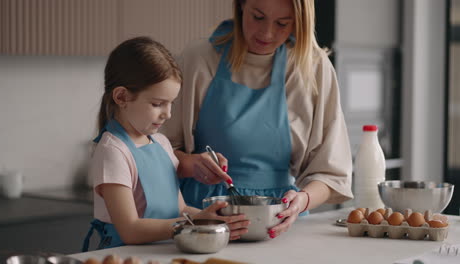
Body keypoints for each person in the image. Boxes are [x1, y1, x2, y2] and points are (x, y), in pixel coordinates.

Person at [162, 0, 354, 239]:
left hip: (279, 225)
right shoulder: (198, 59)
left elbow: (331, 173)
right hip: (205, 223)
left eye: (283, 23)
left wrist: (302, 201)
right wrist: (192, 164)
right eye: (258, 17)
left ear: (300, 22)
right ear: (241, 5)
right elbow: (156, 155)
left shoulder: (312, 68)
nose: (267, 33)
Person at [82, 36, 249, 251]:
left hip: (165, 251)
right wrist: (195, 223)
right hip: (124, 254)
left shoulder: (161, 143)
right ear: (122, 97)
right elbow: (130, 229)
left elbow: (180, 210)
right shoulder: (113, 152)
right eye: (157, 104)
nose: (168, 114)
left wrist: (217, 221)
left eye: (171, 103)